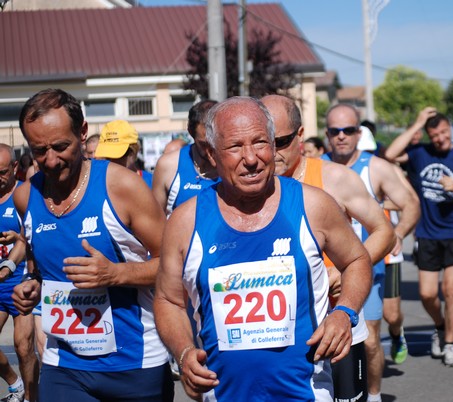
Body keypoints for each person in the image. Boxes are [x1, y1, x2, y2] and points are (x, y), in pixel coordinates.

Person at [154, 97, 372, 401]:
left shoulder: (313, 205)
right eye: (234, 147)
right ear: (211, 154)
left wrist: (344, 312)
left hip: (306, 393)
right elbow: (168, 299)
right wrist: (184, 351)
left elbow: (357, 260)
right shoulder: (185, 221)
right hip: (222, 394)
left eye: (260, 143)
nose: (251, 158)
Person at [12, 88, 173, 400]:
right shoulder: (26, 196)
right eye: (39, 151)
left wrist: (115, 274)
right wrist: (32, 282)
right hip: (64, 363)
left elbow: (176, 265)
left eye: (60, 146)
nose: (51, 160)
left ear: (82, 133)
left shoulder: (121, 186)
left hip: (135, 363)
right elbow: (39, 261)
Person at [262, 94, 407, 402]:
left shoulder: (335, 178)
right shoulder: (248, 188)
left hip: (337, 318)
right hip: (275, 327)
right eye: (264, 142)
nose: (272, 152)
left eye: (282, 141)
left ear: (301, 136)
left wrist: (349, 269)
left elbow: (384, 230)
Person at [323, 104, 420, 401]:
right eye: (334, 131)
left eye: (348, 131)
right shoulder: (316, 168)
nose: (341, 137)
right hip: (324, 274)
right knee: (329, 343)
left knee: (370, 340)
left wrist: (398, 234)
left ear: (359, 133)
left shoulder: (375, 167)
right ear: (326, 134)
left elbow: (411, 203)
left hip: (369, 268)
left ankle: (374, 395)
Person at [383, 107, 453, 367]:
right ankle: (439, 326)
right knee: (427, 294)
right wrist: (416, 122)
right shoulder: (421, 153)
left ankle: (450, 343)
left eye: (443, 132)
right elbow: (391, 154)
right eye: (434, 134)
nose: (439, 138)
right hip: (427, 233)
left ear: (449, 129)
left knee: (450, 289)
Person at [0, 144, 38, 402]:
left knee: (23, 346)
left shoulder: (24, 196)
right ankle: (15, 384)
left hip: (21, 282)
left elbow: (28, 240)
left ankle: (31, 397)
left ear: (14, 167)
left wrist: (9, 266)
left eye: (1, 171)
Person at [152, 100, 218, 216]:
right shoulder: (168, 165)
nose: (210, 151)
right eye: (204, 144)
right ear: (191, 132)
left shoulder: (235, 163)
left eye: (215, 143)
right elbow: (155, 220)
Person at [95, 120, 153, 188]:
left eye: (118, 155)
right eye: (107, 156)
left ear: (133, 151)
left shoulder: (152, 182)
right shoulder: (97, 184)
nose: (112, 161)